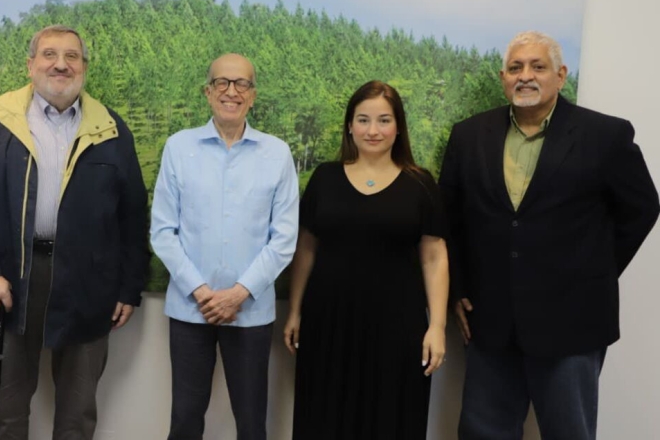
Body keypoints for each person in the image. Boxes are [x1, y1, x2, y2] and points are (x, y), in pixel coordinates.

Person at [439, 31, 660, 440]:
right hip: (490, 321)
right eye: (515, 67)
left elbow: (642, 208)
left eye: (537, 66)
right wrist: (460, 288)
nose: (525, 75)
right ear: (503, 78)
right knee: (482, 433)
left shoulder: (605, 135)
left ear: (560, 75)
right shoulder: (468, 135)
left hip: (573, 321)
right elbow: (450, 220)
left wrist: (593, 271)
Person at [0, 24, 149, 440]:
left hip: (89, 283)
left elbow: (132, 215)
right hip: (8, 281)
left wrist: (129, 288)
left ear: (84, 66)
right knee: (5, 410)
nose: (61, 64)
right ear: (30, 64)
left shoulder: (111, 128)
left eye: (72, 56)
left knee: (78, 411)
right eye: (50, 54)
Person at [283, 80, 449, 439]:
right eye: (363, 120)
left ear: (399, 126)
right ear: (349, 125)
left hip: (398, 327)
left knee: (390, 418)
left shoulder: (420, 183)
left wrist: (437, 326)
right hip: (328, 323)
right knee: (325, 418)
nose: (373, 130)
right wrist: (294, 311)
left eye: (384, 120)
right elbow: (306, 248)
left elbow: (435, 257)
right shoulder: (324, 178)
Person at [150, 53, 299, 440]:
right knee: (185, 419)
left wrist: (238, 294)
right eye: (222, 82)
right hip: (190, 309)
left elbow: (284, 239)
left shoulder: (277, 153)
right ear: (208, 91)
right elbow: (163, 231)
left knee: (251, 422)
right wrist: (201, 292)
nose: (231, 91)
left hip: (250, 311)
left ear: (253, 95)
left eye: (241, 84)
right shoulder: (179, 147)